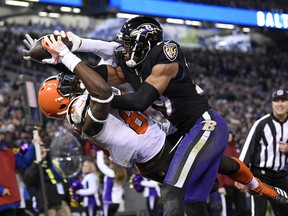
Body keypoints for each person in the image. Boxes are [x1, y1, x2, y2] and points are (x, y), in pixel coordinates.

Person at [39, 16, 288, 215]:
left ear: (143, 43)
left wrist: (101, 96)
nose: (123, 51)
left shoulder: (166, 55)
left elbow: (139, 101)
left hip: (204, 124)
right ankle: (269, 192)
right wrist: (55, 59)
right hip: (180, 131)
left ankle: (266, 191)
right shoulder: (131, 67)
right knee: (204, 185)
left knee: (173, 189)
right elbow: (94, 73)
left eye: (128, 45)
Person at [239, 89, 288, 216]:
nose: (280, 104)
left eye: (283, 100)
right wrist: (240, 175)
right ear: (272, 104)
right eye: (276, 101)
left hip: (280, 175)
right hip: (260, 175)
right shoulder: (261, 124)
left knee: (284, 209)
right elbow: (247, 149)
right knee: (259, 211)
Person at [23, 141, 71, 216]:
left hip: (62, 202)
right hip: (47, 206)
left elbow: (64, 179)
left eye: (43, 147)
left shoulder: (53, 163)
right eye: (39, 148)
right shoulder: (33, 165)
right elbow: (28, 180)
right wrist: (40, 160)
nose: (42, 149)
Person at [0, 130, 36, 216]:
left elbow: (24, 162)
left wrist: (34, 146)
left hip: (12, 202)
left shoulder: (8, 153)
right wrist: (1, 190)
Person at [217, 128, 248, 216]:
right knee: (227, 211)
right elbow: (217, 168)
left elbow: (242, 167)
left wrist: (244, 182)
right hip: (226, 186)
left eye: (230, 133)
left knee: (243, 210)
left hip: (238, 184)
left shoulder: (236, 148)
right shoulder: (220, 149)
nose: (229, 135)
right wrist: (220, 185)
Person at [96, 151, 126, 216]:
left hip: (109, 201)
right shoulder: (121, 172)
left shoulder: (112, 173)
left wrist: (99, 152)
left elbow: (101, 165)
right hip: (117, 201)